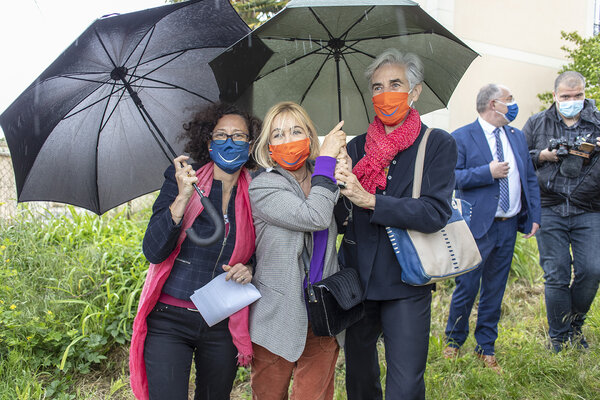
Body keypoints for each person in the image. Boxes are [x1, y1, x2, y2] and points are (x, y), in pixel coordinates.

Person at [333, 49, 457, 400]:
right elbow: (342, 221)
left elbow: (434, 213)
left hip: (406, 280)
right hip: (357, 283)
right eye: (376, 87)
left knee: (404, 386)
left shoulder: (436, 144)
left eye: (395, 84)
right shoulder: (355, 148)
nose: (384, 93)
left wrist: (371, 200)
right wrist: (335, 176)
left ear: (415, 91)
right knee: (359, 380)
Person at [129, 102, 262, 400]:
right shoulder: (182, 181)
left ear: (251, 145)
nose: (230, 142)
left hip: (221, 320)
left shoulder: (257, 190)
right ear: (208, 142)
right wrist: (182, 198)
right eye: (221, 135)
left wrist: (249, 267)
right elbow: (153, 250)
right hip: (169, 320)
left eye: (239, 136)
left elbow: (260, 250)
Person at [248, 101, 347, 400]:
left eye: (296, 131)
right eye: (278, 134)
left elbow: (347, 221)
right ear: (267, 145)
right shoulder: (262, 187)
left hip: (324, 312)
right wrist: (328, 163)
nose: (288, 140)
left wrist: (347, 176)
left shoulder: (327, 175)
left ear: (310, 135)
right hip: (277, 316)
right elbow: (313, 216)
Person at [443, 84, 541, 372]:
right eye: (509, 100)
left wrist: (533, 215)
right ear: (493, 104)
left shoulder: (516, 136)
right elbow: (451, 178)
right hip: (476, 227)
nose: (513, 105)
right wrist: (487, 172)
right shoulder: (461, 137)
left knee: (495, 290)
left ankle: (485, 346)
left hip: (508, 225)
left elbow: (529, 178)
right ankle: (453, 341)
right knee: (468, 286)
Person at [523, 71, 600, 352]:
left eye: (577, 95)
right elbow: (519, 158)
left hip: (590, 207)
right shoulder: (537, 123)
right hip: (550, 207)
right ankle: (559, 337)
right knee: (555, 273)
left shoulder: (598, 122)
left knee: (592, 270)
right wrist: (542, 155)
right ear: (555, 95)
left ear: (584, 93)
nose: (572, 101)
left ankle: (573, 325)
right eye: (565, 96)